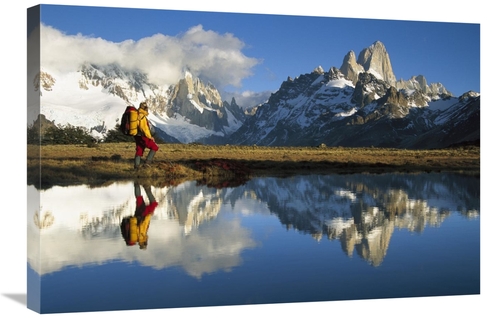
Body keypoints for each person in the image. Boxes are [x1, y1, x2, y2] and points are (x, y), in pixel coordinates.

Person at [120, 181, 159, 249]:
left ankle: (146, 188)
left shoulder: (141, 236)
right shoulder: (137, 238)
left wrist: (149, 215)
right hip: (137, 215)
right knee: (139, 199)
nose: (147, 242)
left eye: (146, 243)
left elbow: (142, 225)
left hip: (143, 215)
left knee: (153, 204)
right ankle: (137, 184)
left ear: (144, 243)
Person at [134, 102, 159, 170]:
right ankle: (147, 163)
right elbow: (144, 128)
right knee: (154, 147)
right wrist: (149, 136)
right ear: (145, 108)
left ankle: (136, 167)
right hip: (143, 135)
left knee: (139, 149)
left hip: (137, 135)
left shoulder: (136, 114)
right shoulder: (142, 116)